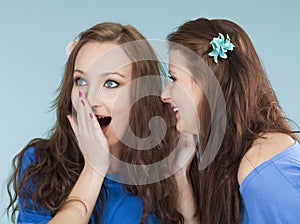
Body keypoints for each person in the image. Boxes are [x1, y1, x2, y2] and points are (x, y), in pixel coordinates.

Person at [7, 22, 187, 224]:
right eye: (81, 81)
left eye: (111, 83)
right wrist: (94, 169)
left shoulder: (165, 175)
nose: (91, 100)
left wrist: (177, 171)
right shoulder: (40, 163)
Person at [161, 18, 300, 223]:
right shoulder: (239, 159)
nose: (164, 94)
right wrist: (179, 175)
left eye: (174, 78)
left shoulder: (261, 170)